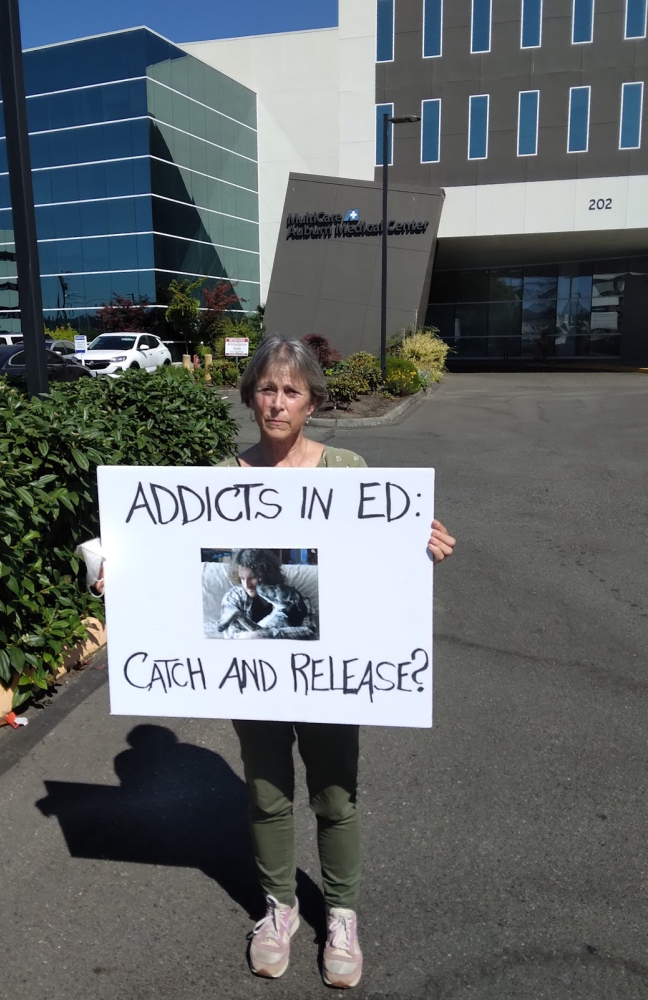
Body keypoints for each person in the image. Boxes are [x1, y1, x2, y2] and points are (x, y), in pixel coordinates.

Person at [215, 334, 456, 988]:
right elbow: (192, 565)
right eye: (266, 388)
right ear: (250, 396)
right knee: (265, 795)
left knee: (335, 795)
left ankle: (341, 915)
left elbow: (380, 551)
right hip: (257, 667)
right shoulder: (221, 478)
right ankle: (279, 909)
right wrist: (124, 570)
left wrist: (419, 542)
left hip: (331, 671)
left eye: (291, 390)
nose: (277, 401)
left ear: (313, 400)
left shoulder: (348, 468)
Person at [217, 548, 318, 640]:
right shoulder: (234, 597)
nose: (247, 585)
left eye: (253, 577)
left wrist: (262, 635)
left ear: (267, 574)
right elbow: (234, 637)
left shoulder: (296, 599)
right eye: (242, 578)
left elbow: (310, 634)